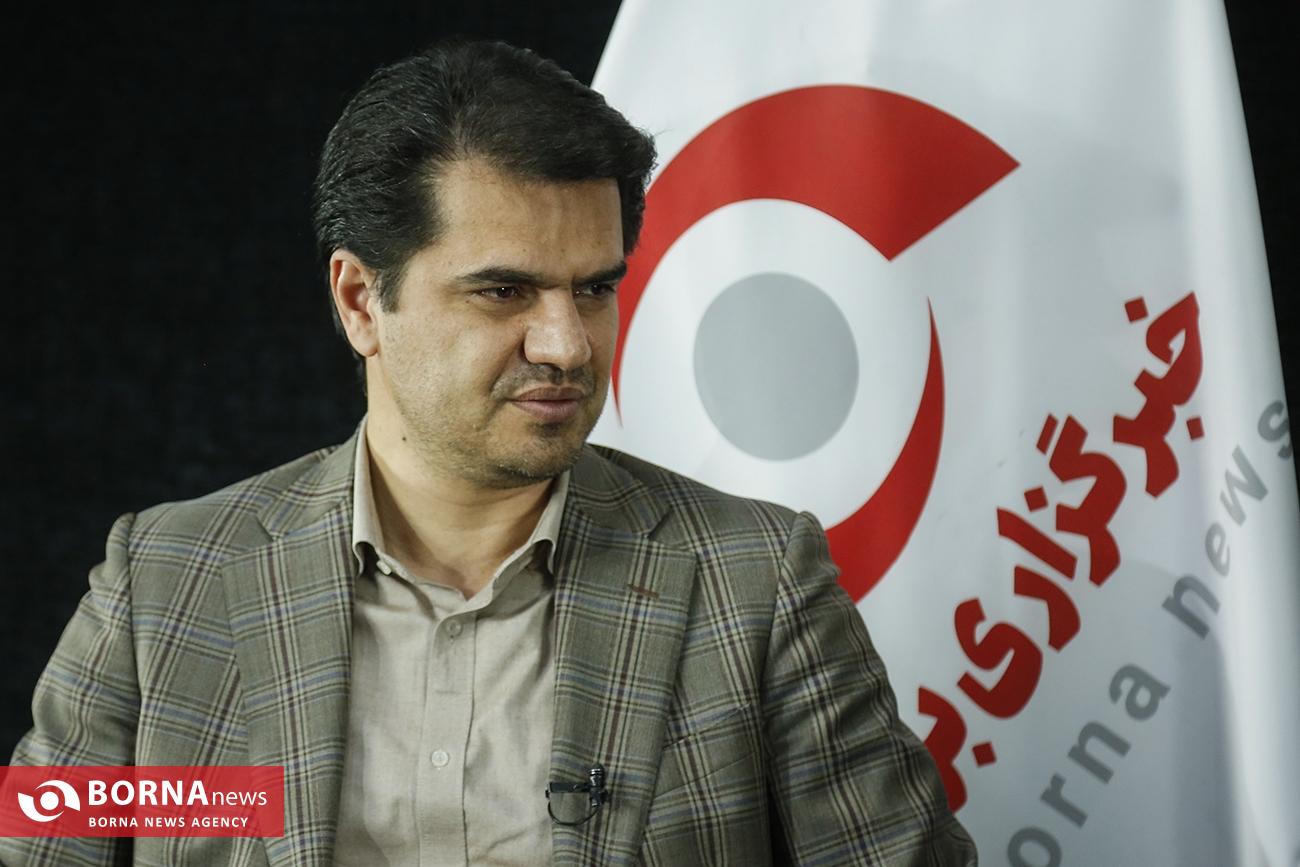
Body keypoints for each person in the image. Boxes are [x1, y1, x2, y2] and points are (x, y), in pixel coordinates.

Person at [2, 39, 977, 866]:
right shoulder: (163, 586)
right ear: (360, 301)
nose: (567, 344)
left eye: (593, 288)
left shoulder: (756, 584)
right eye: (504, 291)